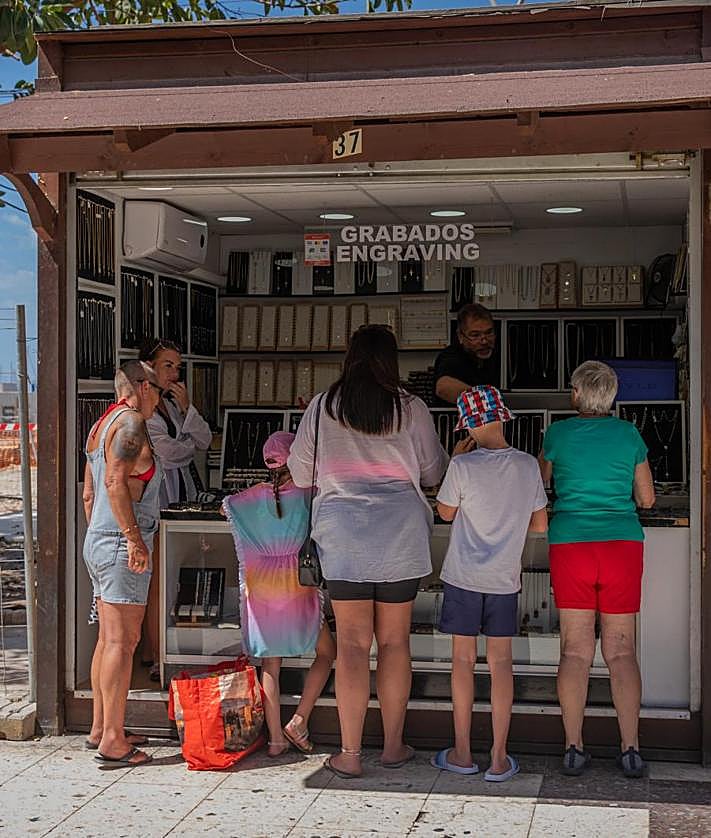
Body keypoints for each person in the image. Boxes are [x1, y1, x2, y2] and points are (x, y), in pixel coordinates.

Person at [288, 324, 449, 779]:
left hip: (343, 535)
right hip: (400, 533)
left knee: (353, 645)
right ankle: (395, 745)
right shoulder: (410, 407)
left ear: (349, 357)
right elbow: (433, 469)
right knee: (396, 642)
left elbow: (301, 472)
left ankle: (351, 753)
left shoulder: (324, 406)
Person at [539, 361, 656, 779]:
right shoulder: (628, 434)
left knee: (574, 650)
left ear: (575, 395)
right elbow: (647, 499)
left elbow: (541, 486)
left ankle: (573, 746)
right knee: (621, 650)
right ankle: (630, 749)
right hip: (622, 545)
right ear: (610, 396)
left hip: (570, 544)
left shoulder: (557, 434)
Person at [432, 385, 548, 781]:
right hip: (504, 578)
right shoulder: (527, 466)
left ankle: (462, 753)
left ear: (469, 427)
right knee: (501, 665)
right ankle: (499, 758)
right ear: (502, 417)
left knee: (462, 662)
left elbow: (445, 513)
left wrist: (455, 461)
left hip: (464, 576)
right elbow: (540, 523)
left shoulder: (462, 466)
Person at [222, 431, 336, 757]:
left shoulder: (252, 497)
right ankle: (299, 720)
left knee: (270, 666)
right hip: (298, 587)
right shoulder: (309, 493)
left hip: (262, 590)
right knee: (327, 653)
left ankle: (275, 741)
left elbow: (224, 508)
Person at [81, 360, 163, 766]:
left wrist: (102, 536)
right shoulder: (130, 423)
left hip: (99, 540)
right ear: (143, 387)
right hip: (120, 543)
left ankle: (101, 727)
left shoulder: (101, 426)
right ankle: (113, 740)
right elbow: (115, 482)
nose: (160, 399)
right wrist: (131, 540)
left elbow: (88, 494)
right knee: (122, 643)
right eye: (159, 390)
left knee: (107, 641)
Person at [139, 339, 213, 679]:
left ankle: (174, 645)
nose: (174, 373)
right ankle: (156, 655)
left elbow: (204, 440)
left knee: (179, 570)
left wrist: (188, 411)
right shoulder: (144, 410)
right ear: (148, 367)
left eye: (177, 367)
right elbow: (170, 453)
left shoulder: (173, 405)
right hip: (159, 496)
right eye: (167, 365)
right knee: (158, 577)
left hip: (182, 490)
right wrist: (186, 442)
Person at [434, 303, 500, 405]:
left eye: (489, 332)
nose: (484, 341)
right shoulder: (451, 356)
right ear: (460, 336)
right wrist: (487, 401)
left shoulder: (488, 354)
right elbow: (443, 388)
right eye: (475, 335)